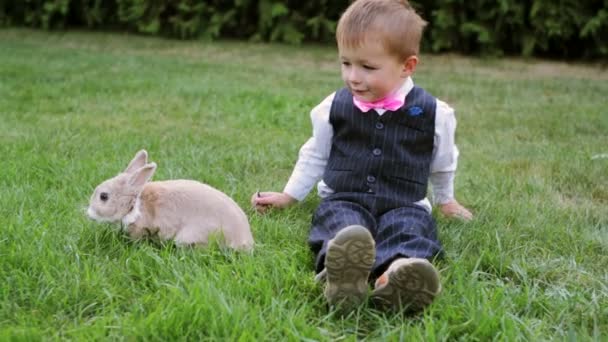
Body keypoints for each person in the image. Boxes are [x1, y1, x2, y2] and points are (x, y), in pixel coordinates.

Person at [251, 0, 473, 313]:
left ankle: (397, 275)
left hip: (404, 201)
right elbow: (315, 153)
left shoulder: (436, 113)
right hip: (345, 195)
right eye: (346, 63)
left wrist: (446, 200)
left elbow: (443, 161)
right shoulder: (333, 106)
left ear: (407, 66)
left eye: (367, 67)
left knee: (409, 230)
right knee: (343, 227)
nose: (353, 77)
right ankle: (341, 276)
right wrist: (290, 195)